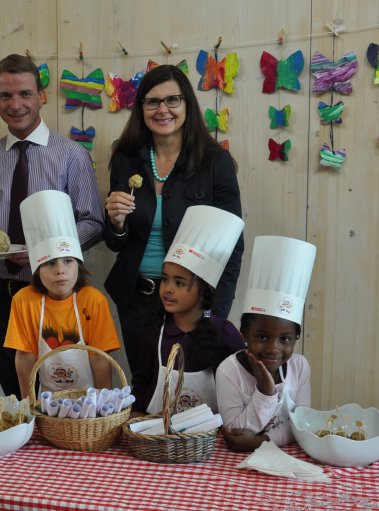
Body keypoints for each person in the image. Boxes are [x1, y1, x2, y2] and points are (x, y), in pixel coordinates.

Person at [0, 54, 104, 399]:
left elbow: (93, 222)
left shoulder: (71, 155)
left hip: (56, 293)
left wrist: (46, 251)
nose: (16, 105)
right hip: (3, 293)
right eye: (5, 96)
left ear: (41, 96)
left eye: (25, 93)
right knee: (17, 394)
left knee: (62, 392)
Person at [103, 64, 243, 405]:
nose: (162, 109)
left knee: (189, 398)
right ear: (141, 109)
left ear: (187, 104)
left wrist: (214, 313)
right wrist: (116, 222)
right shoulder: (126, 160)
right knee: (144, 394)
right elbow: (115, 242)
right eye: (152, 101)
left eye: (172, 100)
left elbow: (231, 246)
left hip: (191, 304)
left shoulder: (214, 162)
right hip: (137, 300)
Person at [4, 191, 120, 398]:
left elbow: (99, 358)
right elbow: (24, 357)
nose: (60, 270)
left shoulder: (93, 300)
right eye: (50, 263)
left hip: (90, 403)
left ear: (78, 265)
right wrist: (28, 404)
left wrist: (105, 406)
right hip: (47, 403)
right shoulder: (24, 301)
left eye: (68, 261)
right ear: (37, 268)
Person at [137, 206, 245, 414]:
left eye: (179, 283)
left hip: (210, 433)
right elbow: (142, 382)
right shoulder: (155, 330)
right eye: (165, 279)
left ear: (203, 290)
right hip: (157, 428)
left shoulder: (224, 333)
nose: (167, 289)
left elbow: (243, 386)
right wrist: (136, 413)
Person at [217, 236, 316, 452]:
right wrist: (265, 392)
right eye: (262, 337)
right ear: (244, 334)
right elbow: (235, 434)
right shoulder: (228, 372)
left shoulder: (299, 367)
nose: (273, 348)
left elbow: (301, 424)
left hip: (285, 456)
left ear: (296, 338)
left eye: (285, 339)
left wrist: (260, 441)